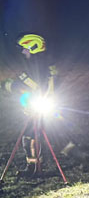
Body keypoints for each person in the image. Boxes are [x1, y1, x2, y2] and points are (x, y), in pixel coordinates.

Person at [3, 33, 58, 175]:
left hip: (37, 109)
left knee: (30, 137)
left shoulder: (37, 66)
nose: (23, 52)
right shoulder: (44, 63)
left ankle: (34, 168)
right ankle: (35, 166)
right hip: (42, 106)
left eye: (25, 48)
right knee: (33, 136)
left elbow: (30, 85)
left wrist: (8, 86)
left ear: (33, 47)